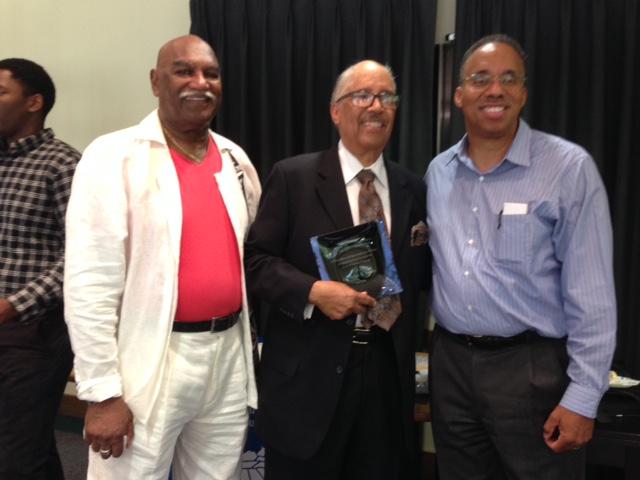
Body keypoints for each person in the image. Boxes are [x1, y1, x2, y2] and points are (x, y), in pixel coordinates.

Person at [64, 35, 261, 480]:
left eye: (211, 73)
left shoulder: (235, 160)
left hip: (227, 352)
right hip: (150, 358)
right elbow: (88, 284)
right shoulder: (113, 156)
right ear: (156, 82)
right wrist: (100, 393)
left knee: (218, 475)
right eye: (184, 70)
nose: (200, 82)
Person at [426, 34, 616, 479]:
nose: (495, 90)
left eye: (509, 79)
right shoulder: (438, 172)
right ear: (459, 95)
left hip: (533, 372)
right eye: (481, 79)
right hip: (452, 367)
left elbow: (593, 296)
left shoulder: (569, 169)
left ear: (524, 93)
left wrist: (583, 397)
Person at [245, 60, 429, 480]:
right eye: (362, 95)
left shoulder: (412, 189)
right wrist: (312, 292)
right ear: (335, 110)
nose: (376, 106)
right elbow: (256, 262)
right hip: (307, 379)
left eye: (387, 97)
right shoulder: (293, 177)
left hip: (386, 380)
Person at [0, 58, 79, 480]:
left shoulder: (64, 165)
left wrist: (13, 305)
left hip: (35, 334)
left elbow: (82, 256)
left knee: (15, 457)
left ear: (34, 102)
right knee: (26, 445)